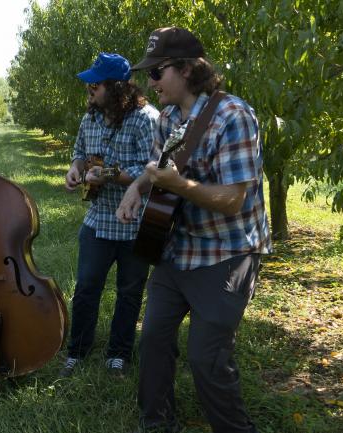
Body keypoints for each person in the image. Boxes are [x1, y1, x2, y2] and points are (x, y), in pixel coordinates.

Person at [116, 27, 272, 433]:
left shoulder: (233, 116)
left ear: (186, 69)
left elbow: (234, 199)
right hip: (175, 247)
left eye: (157, 72)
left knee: (208, 357)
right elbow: (155, 170)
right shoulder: (167, 117)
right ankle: (157, 423)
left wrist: (177, 185)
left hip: (226, 254)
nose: (149, 82)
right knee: (151, 341)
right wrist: (136, 187)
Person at [60, 53, 159, 377]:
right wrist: (75, 170)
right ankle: (77, 350)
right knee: (87, 287)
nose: (89, 87)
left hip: (135, 222)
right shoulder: (90, 118)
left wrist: (108, 174)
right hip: (98, 220)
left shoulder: (146, 119)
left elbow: (153, 169)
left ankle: (118, 353)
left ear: (117, 87)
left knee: (130, 292)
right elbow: (79, 153)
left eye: (96, 83)